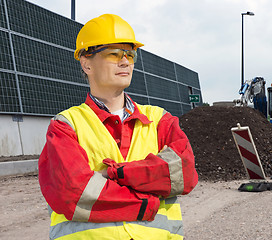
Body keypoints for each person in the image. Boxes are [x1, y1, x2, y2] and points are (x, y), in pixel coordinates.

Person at [38, 13, 198, 240]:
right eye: (114, 54)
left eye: (130, 55)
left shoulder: (159, 119)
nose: (125, 61)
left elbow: (184, 172)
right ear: (86, 64)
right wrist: (146, 202)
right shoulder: (66, 125)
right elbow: (74, 191)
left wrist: (115, 173)